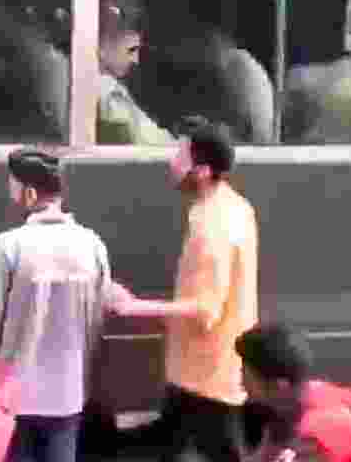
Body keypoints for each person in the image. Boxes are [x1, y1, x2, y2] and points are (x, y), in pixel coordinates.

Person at [112, 115, 259, 462]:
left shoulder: (212, 227)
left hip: (207, 378)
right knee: (169, 445)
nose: (172, 163)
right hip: (203, 369)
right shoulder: (231, 206)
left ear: (203, 171)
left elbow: (205, 310)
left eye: (181, 157)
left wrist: (133, 307)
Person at [0, 147, 129, 462]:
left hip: (15, 392)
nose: (10, 194)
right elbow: (100, 313)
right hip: (68, 392)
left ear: (29, 193)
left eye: (12, 187)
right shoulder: (92, 244)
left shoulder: (10, 244)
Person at [237, 323, 351, 462]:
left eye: (248, 377)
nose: (242, 384)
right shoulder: (288, 404)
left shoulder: (314, 439)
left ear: (279, 385)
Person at [96, 0, 175, 145]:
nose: (136, 60)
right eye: (131, 50)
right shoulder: (109, 94)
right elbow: (151, 142)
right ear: (102, 47)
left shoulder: (112, 91)